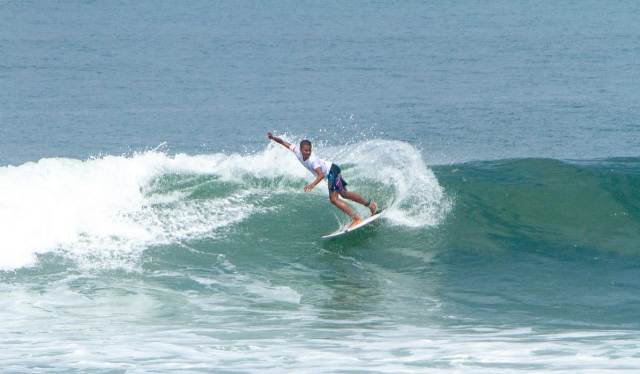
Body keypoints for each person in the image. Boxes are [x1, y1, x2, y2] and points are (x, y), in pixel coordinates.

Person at [267, 132, 377, 228]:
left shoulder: (312, 160)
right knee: (344, 194)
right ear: (300, 149)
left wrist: (312, 185)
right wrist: (273, 138)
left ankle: (356, 219)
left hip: (332, 172)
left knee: (334, 199)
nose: (308, 152)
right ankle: (371, 205)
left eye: (309, 150)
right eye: (305, 150)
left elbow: (321, 174)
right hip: (334, 169)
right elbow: (283, 142)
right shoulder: (296, 150)